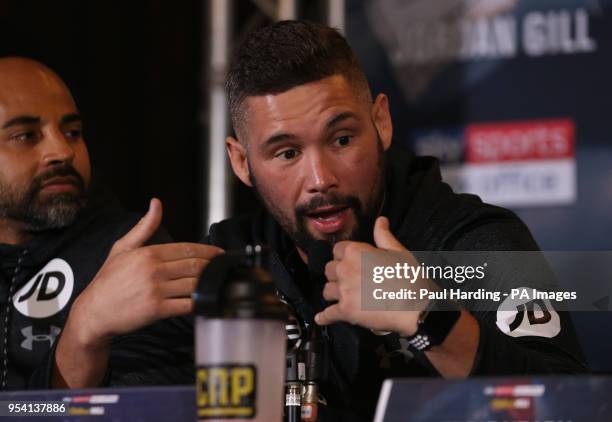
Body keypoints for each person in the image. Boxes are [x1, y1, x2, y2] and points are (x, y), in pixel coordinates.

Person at [204, 20, 587, 420]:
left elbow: (569, 408)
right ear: (242, 162)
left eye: (342, 140)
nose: (320, 180)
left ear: (381, 123)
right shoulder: (227, 267)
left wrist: (429, 319)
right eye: (287, 154)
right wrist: (128, 329)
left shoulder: (477, 243)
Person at [0, 57, 223, 390]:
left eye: (72, 132)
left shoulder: (130, 252)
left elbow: (147, 408)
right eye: (26, 136)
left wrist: (83, 335)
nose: (62, 151)